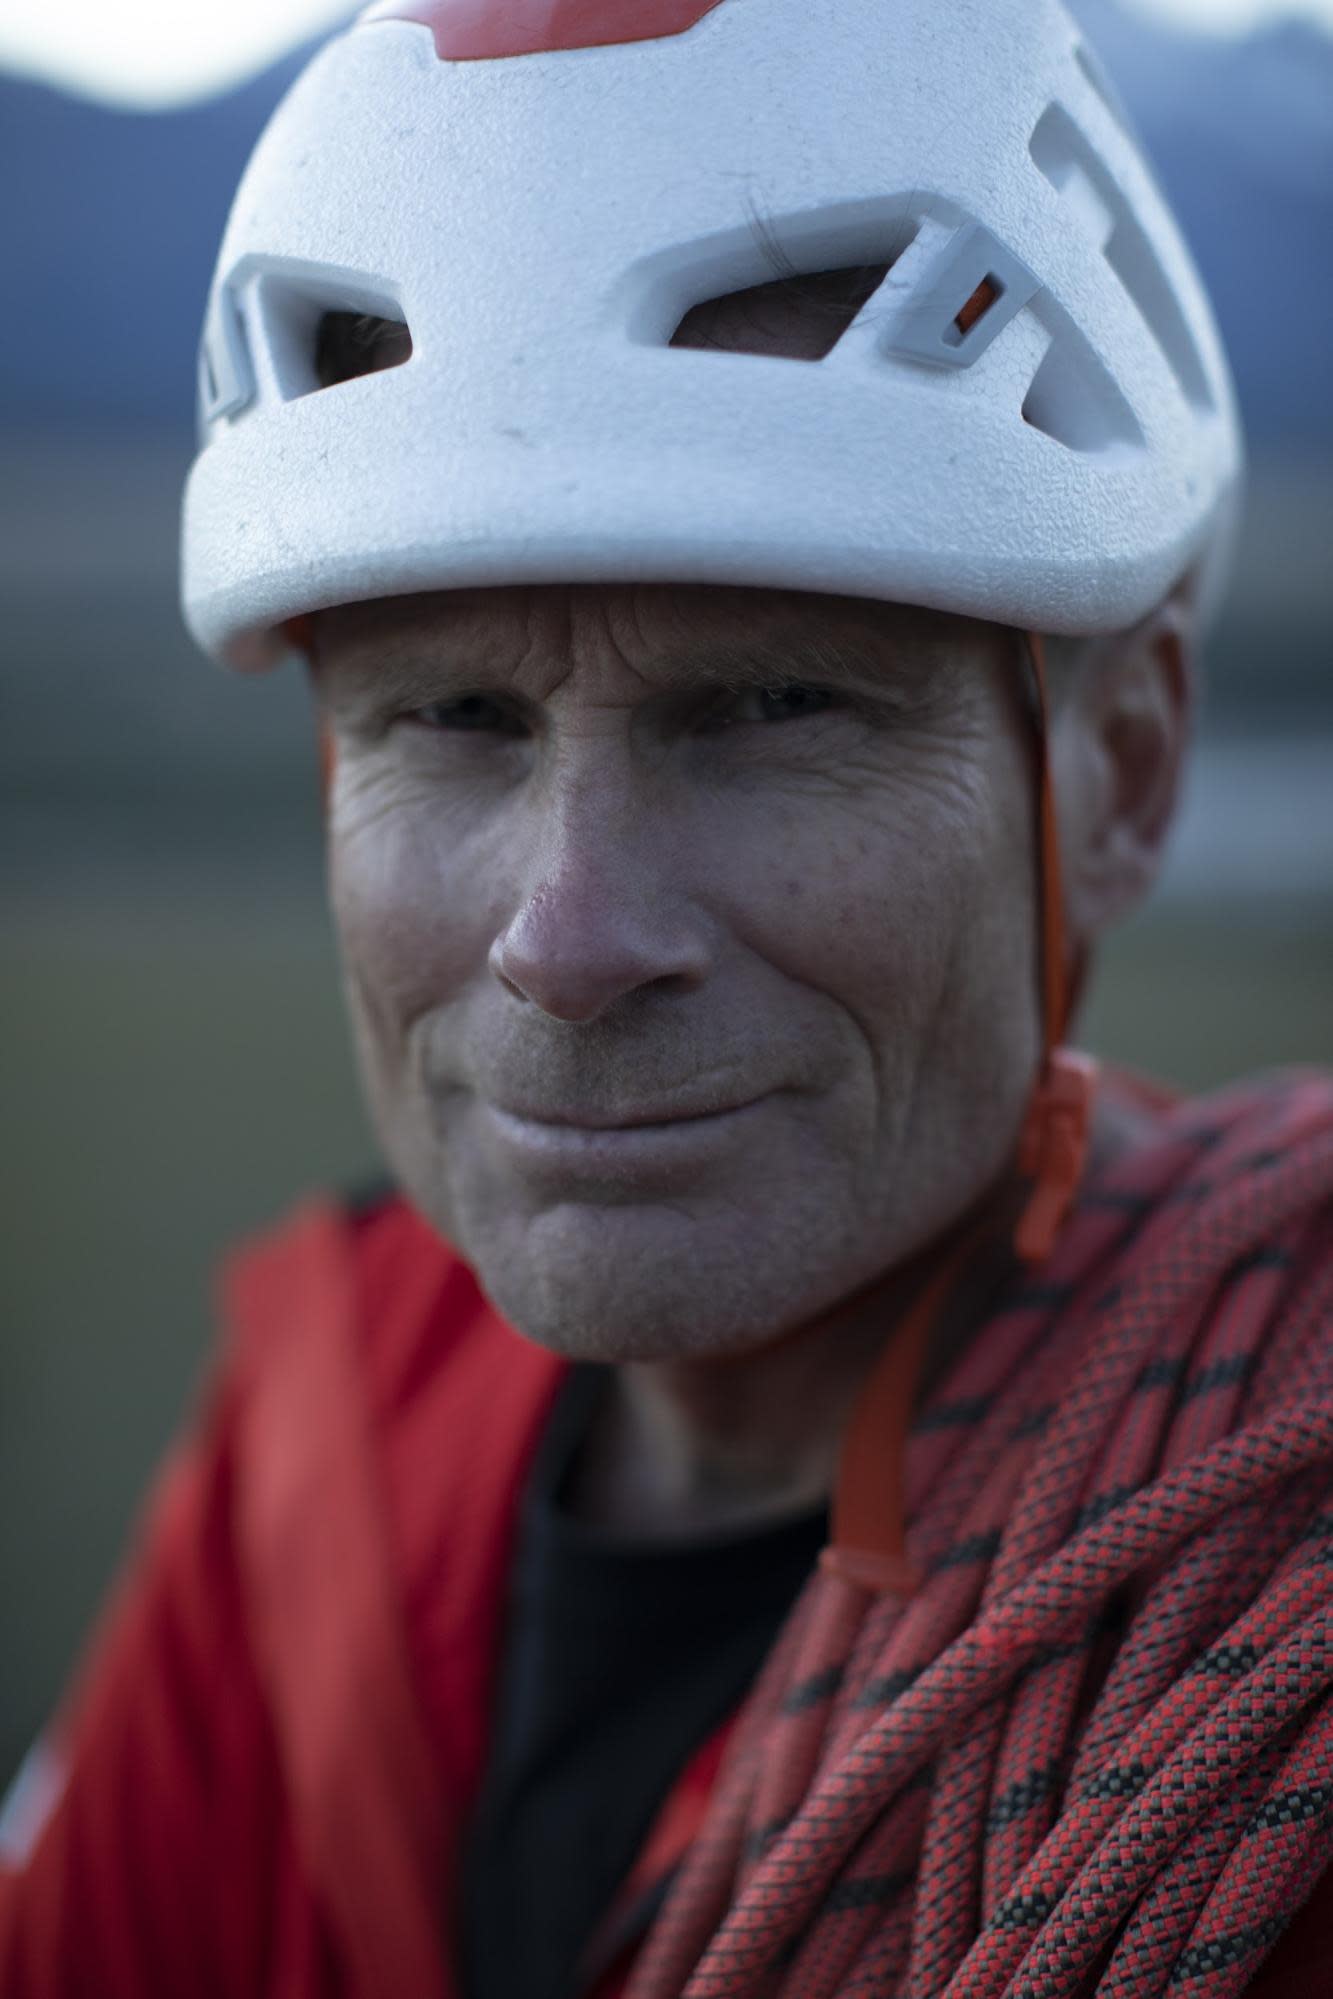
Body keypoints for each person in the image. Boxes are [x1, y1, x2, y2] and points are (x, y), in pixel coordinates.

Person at [2, 0, 1330, 1994]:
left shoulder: (1267, 1593)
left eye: (771, 705)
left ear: (1119, 774)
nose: (565, 932)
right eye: (449, 717)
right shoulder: (316, 1454)